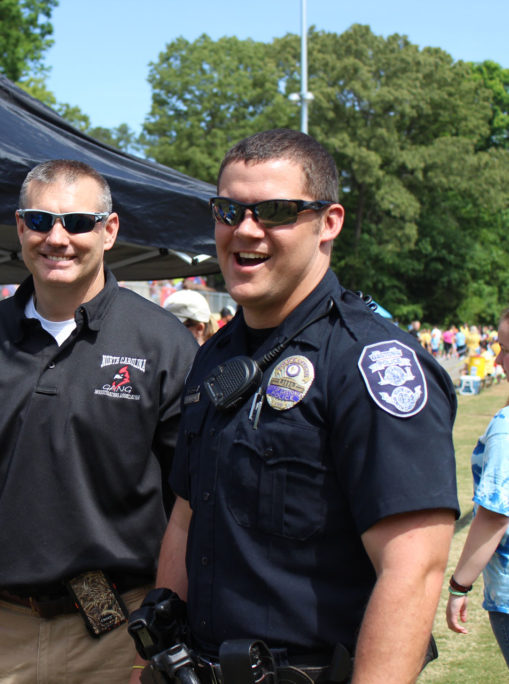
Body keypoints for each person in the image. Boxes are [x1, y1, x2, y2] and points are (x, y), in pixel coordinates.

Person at [151, 129, 458, 683]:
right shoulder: (213, 356)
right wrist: (148, 663)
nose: (246, 229)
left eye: (275, 211)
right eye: (229, 209)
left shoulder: (368, 362)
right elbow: (184, 519)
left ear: (329, 222)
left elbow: (414, 567)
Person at [0, 159, 198, 684]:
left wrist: (165, 635)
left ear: (109, 231)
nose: (57, 237)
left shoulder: (162, 343)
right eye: (40, 221)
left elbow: (191, 504)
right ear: (19, 228)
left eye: (78, 222)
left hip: (118, 630)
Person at [446, 307, 509, 667]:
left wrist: (459, 585)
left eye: (505, 349)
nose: (497, 358)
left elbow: (494, 516)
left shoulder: (505, 429)